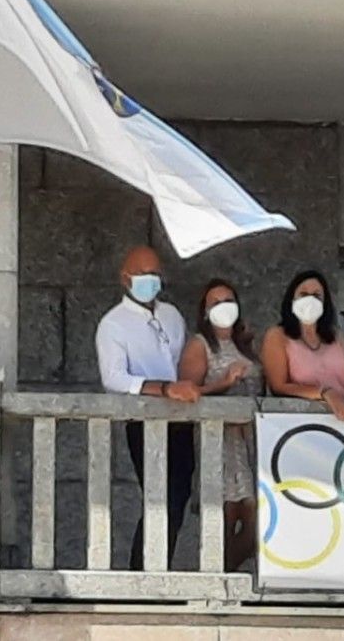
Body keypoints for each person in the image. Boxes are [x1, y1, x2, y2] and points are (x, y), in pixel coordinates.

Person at [94, 245, 199, 570]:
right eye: (142, 274)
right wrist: (162, 389)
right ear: (125, 278)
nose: (150, 280)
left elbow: (183, 362)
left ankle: (158, 569)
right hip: (143, 421)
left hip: (181, 420)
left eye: (154, 273)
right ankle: (142, 574)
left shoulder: (171, 315)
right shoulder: (113, 324)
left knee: (179, 497)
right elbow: (113, 378)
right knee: (158, 499)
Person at [177, 279, 262, 571]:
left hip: (250, 442)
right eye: (215, 302)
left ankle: (222, 574)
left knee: (255, 522)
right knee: (225, 517)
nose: (223, 307)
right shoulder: (199, 345)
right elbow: (187, 391)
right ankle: (215, 579)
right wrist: (223, 383)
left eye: (228, 300)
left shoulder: (247, 345)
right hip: (219, 441)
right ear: (204, 311)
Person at [262, 270, 344, 419]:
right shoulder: (278, 336)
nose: (310, 300)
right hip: (309, 422)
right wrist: (324, 393)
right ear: (292, 300)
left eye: (317, 295)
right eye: (303, 294)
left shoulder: (338, 337)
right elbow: (278, 386)